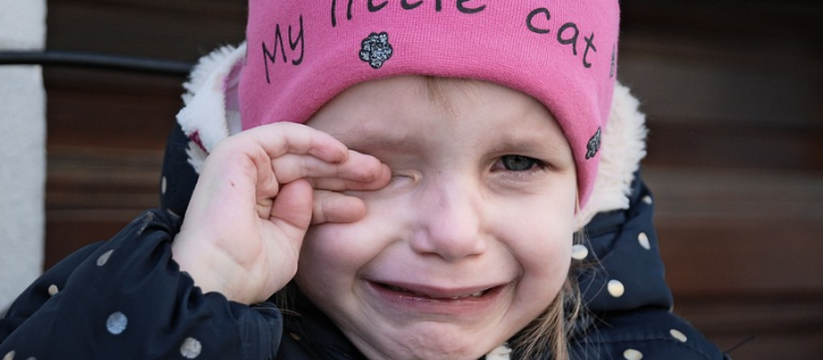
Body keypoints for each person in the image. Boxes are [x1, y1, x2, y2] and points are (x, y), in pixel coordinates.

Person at [0, 1, 731, 359]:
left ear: (583, 191)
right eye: (370, 168)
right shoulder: (140, 314)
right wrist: (201, 289)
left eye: (516, 163)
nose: (450, 233)